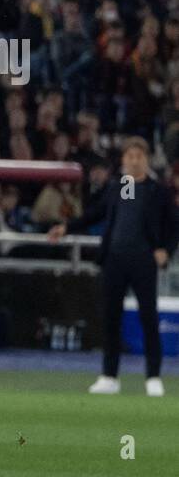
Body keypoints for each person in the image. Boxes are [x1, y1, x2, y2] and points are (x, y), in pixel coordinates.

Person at [50, 137, 177, 396]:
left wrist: (166, 250)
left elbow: (174, 224)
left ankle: (153, 376)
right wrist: (67, 227)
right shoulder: (116, 188)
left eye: (138, 155)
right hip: (114, 260)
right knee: (110, 318)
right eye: (129, 156)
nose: (134, 160)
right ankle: (110, 375)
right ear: (123, 160)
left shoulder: (158, 191)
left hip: (143, 260)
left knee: (149, 318)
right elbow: (94, 214)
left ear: (147, 159)